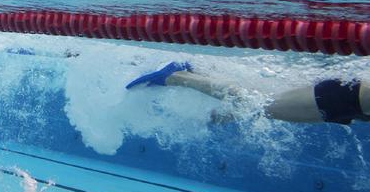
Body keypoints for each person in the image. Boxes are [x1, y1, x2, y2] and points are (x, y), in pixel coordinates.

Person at [126, 62, 370, 125]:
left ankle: (222, 113)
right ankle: (178, 76)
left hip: (352, 103)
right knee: (262, 105)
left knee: (262, 104)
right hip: (347, 97)